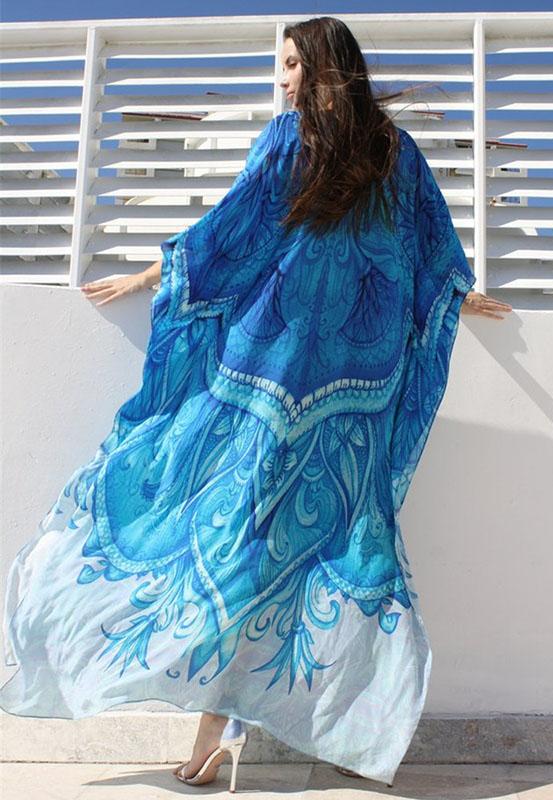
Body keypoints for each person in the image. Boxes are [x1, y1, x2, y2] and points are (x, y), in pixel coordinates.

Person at [0, 15, 512, 792]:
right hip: (303, 382)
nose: (282, 77)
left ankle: (318, 724)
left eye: (292, 63)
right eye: (282, 64)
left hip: (319, 384)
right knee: (270, 543)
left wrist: (457, 297)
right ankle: (238, 727)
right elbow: (237, 231)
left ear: (326, 67)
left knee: (315, 548)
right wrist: (151, 274)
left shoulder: (386, 154)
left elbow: (415, 249)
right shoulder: (316, 144)